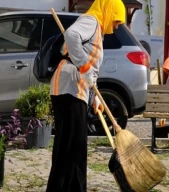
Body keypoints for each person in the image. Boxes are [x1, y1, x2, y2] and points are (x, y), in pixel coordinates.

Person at [46, 0, 126, 191]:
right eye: (116, 21)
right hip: (68, 88)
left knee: (76, 146)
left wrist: (95, 97)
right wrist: (83, 65)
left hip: (77, 90)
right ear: (109, 10)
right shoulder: (91, 21)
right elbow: (71, 36)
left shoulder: (97, 30)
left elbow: (91, 70)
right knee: (71, 146)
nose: (116, 27)